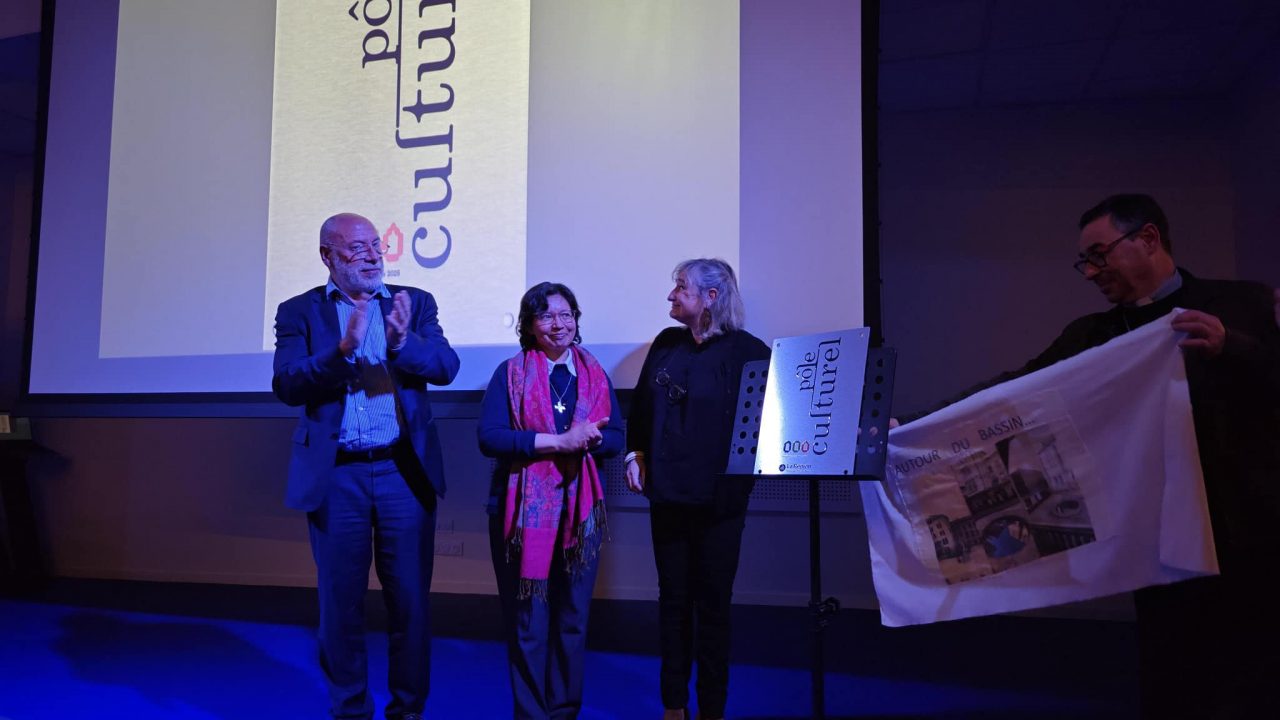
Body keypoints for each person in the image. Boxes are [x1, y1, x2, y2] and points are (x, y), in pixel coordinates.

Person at [908, 194, 1280, 719]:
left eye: (1099, 255)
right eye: (1086, 260)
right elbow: (1013, 392)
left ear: (1148, 239)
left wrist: (1233, 346)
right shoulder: (1093, 334)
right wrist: (921, 427)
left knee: (1252, 674)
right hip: (1157, 536)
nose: (1090, 272)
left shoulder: (1243, 305)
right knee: (1170, 672)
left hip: (1248, 531)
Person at [272, 212, 460, 720]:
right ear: (327, 257)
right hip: (338, 476)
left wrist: (401, 343)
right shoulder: (298, 312)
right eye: (357, 249)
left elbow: (446, 367)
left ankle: (408, 710)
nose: (373, 255)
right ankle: (350, 709)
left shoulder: (413, 303)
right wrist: (341, 352)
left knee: (410, 605)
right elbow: (288, 383)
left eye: (376, 245)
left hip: (404, 470)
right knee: (341, 605)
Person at [625, 259, 770, 720]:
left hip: (719, 504)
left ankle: (711, 709)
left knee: (712, 609)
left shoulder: (750, 351)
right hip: (667, 498)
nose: (671, 296)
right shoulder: (667, 345)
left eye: (681, 288)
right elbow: (642, 412)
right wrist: (635, 454)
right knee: (672, 603)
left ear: (712, 296)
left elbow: (778, 418)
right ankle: (674, 706)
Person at [477, 282, 623, 719]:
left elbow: (616, 437)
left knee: (574, 618)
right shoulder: (511, 372)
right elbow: (491, 437)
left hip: (582, 515)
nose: (558, 324)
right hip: (520, 513)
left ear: (576, 319)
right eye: (546, 316)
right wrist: (559, 442)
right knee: (529, 622)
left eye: (565, 314)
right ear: (529, 325)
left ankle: (564, 710)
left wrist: (586, 441)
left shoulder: (595, 374)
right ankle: (531, 713)